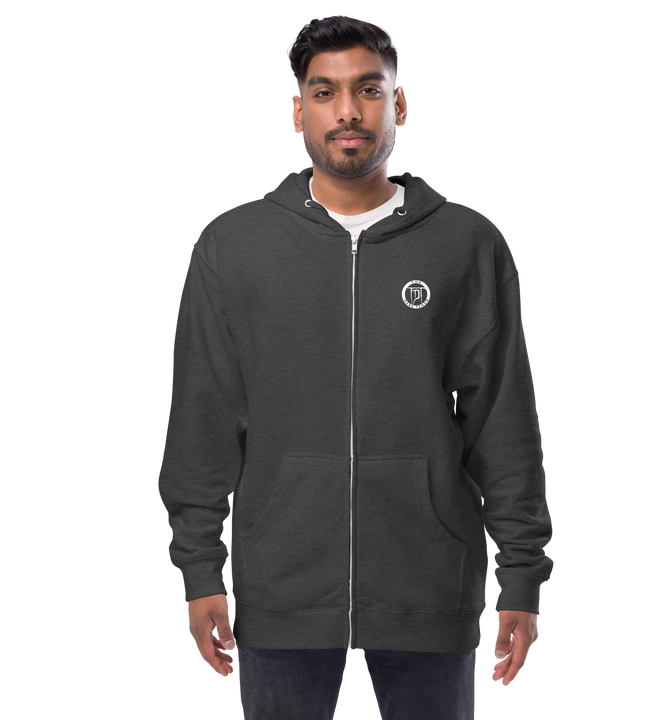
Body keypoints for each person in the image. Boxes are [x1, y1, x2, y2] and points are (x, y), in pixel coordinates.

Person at [156, 11, 555, 719]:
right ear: (296, 112)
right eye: (324, 92)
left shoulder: (469, 243)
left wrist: (521, 578)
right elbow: (202, 422)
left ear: (400, 104)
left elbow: (504, 423)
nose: (348, 111)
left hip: (431, 588)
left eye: (369, 89)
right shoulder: (233, 244)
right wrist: (200, 574)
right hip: (278, 593)